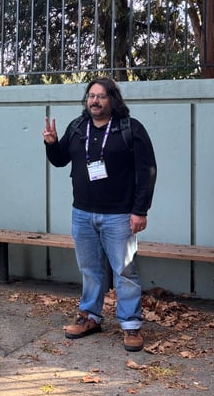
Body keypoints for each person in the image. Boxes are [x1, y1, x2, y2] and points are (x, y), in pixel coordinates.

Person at [43, 77, 157, 352]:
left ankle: (130, 326)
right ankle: (90, 317)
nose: (94, 101)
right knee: (90, 270)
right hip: (82, 213)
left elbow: (147, 171)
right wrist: (51, 143)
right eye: (91, 96)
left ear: (112, 100)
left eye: (101, 96)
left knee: (125, 272)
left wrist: (140, 210)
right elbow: (60, 160)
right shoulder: (78, 127)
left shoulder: (130, 129)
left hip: (119, 215)